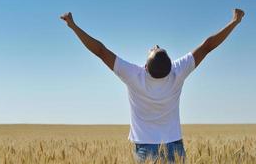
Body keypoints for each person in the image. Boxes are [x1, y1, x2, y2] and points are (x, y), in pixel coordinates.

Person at [60, 9, 245, 163]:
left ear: (146, 67)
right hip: (175, 146)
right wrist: (234, 21)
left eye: (155, 49)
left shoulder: (134, 75)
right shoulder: (177, 72)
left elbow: (100, 51)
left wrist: (74, 26)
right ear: (172, 64)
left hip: (145, 149)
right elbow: (207, 46)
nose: (155, 46)